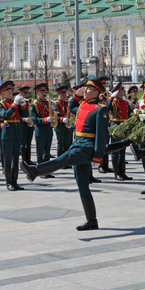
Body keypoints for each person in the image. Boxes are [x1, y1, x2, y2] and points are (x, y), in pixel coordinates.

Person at [20, 78, 110, 231]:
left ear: (96, 92)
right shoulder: (82, 104)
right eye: (85, 88)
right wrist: (76, 95)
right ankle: (92, 221)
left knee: (62, 160)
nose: (85, 91)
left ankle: (35, 170)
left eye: (88, 89)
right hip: (78, 143)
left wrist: (97, 157)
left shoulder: (100, 108)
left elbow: (102, 136)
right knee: (83, 186)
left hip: (86, 147)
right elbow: (73, 105)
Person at [0, 81, 25, 191]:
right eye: (8, 90)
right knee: (7, 159)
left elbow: (22, 116)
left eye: (11, 90)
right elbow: (5, 115)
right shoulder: (1, 104)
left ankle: (15, 182)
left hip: (16, 132)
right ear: (2, 93)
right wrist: (15, 104)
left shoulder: (15, 103)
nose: (11, 92)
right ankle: (9, 182)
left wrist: (23, 105)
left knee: (16, 158)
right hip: (7, 134)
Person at [30, 83, 55, 178]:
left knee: (47, 152)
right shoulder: (34, 105)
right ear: (37, 92)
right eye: (42, 91)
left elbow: (53, 114)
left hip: (48, 130)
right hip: (40, 130)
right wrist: (45, 120)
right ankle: (40, 172)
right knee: (40, 152)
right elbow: (34, 119)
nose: (44, 93)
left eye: (45, 91)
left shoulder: (47, 103)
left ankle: (47, 171)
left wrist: (53, 110)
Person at [109, 82, 133, 180]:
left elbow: (130, 114)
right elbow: (107, 107)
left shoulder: (125, 102)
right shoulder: (113, 102)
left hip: (123, 125)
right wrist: (111, 98)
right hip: (115, 125)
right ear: (118, 92)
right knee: (115, 150)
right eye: (122, 89)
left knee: (122, 149)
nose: (124, 91)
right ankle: (116, 173)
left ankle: (122, 172)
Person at [54, 85, 74, 158]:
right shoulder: (55, 103)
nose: (64, 95)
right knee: (61, 144)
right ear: (58, 94)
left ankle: (67, 161)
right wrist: (62, 119)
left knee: (68, 144)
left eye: (64, 93)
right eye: (62, 94)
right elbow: (53, 115)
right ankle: (60, 161)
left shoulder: (67, 103)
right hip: (60, 126)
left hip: (68, 126)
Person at [18, 86, 35, 165]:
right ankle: (24, 161)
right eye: (24, 93)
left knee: (28, 143)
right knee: (23, 144)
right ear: (21, 93)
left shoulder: (29, 102)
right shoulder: (18, 103)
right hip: (22, 126)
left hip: (29, 126)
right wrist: (24, 119)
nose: (26, 94)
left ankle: (28, 160)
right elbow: (17, 116)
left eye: (27, 92)